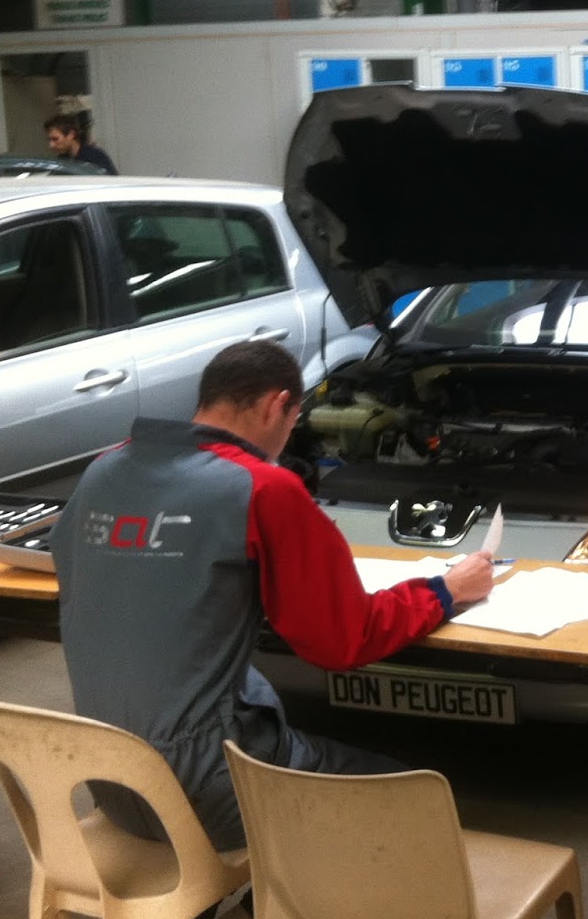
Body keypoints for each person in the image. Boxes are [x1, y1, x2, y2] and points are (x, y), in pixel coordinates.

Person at [55, 340, 495, 851]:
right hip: (208, 791)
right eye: (294, 420)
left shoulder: (104, 470)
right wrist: (446, 590)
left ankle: (247, 908)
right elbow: (342, 642)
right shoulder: (263, 488)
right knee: (416, 790)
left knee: (260, 698)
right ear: (276, 405)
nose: (290, 436)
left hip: (108, 780)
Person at [43, 113, 117, 173]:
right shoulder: (62, 160)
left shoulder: (94, 157)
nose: (51, 145)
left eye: (55, 139)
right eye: (49, 140)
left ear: (71, 135)